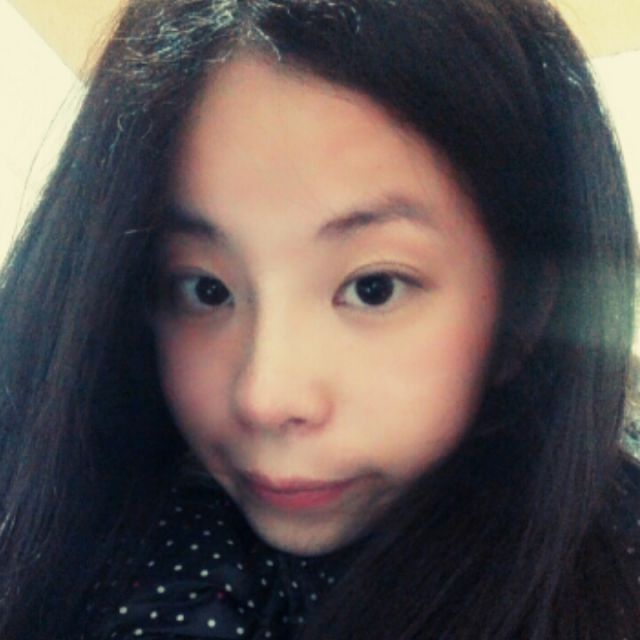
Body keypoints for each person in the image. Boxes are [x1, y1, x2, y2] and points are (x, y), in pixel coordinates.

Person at [1, 0, 638, 638]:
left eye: (373, 288)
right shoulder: (90, 535)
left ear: (523, 314)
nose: (264, 398)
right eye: (205, 289)